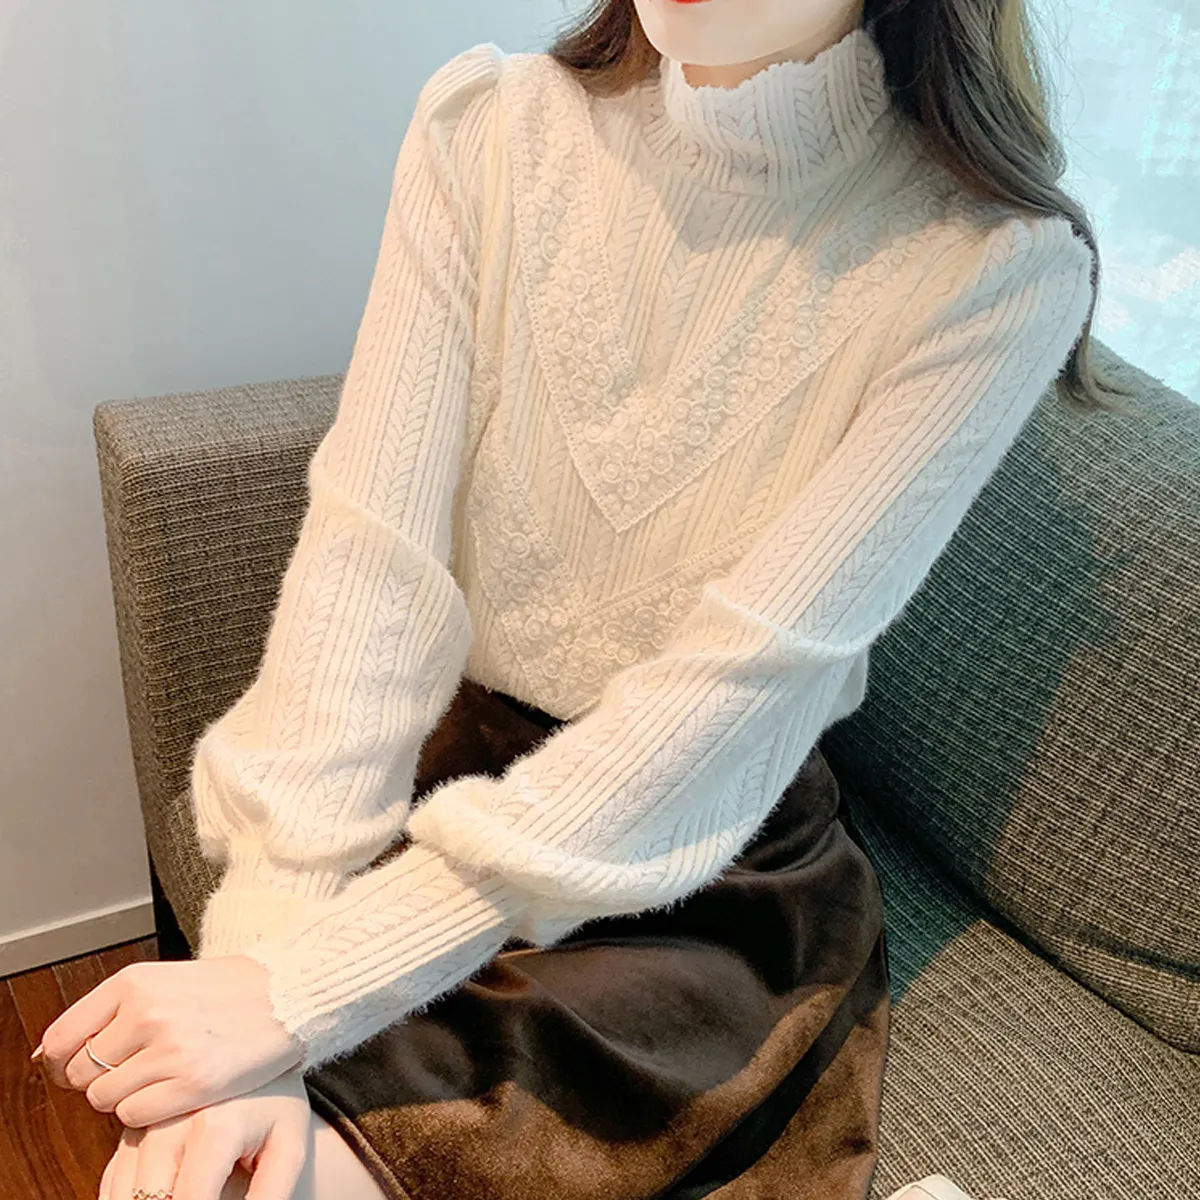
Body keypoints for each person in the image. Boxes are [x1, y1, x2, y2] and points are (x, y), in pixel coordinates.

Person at [35, 0, 1131, 1195]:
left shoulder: (992, 266)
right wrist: (258, 963)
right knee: (190, 1166)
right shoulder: (487, 129)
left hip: (704, 864)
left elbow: (726, 701)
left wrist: (295, 999)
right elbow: (367, 573)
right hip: (442, 785)